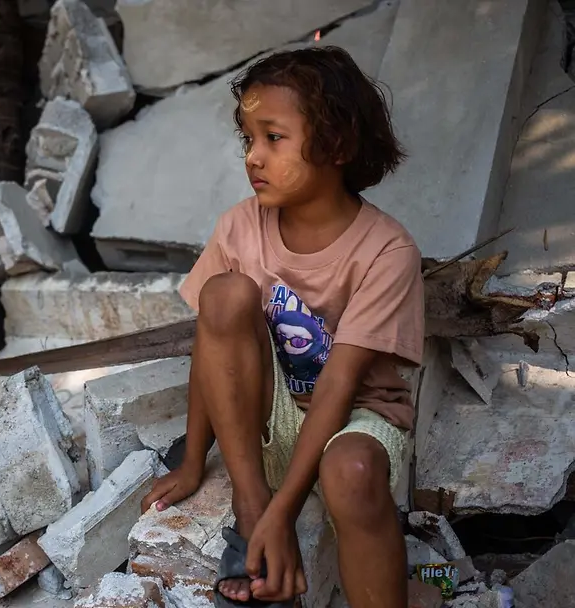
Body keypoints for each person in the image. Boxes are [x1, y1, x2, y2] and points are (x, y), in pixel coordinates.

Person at [140, 46, 425, 608]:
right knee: (224, 294)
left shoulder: (387, 250)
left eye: (274, 137)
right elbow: (212, 346)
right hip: (269, 422)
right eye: (249, 140)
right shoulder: (240, 227)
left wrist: (287, 511)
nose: (254, 157)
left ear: (337, 144)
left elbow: (341, 384)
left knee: (354, 470)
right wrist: (195, 462)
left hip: (354, 422)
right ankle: (249, 517)